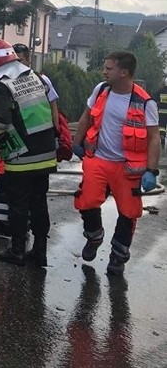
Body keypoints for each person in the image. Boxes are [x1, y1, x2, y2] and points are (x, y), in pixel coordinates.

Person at [72, 51, 161, 275]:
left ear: (124, 72)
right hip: (98, 159)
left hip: (126, 167)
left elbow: (154, 138)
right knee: (87, 201)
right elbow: (86, 116)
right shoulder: (101, 90)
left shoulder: (145, 102)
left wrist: (151, 170)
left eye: (109, 68)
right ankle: (94, 236)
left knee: (129, 213)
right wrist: (76, 142)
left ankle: (118, 257)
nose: (104, 71)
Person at [0, 38, 57, 267]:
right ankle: (40, 251)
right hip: (45, 153)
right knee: (38, 203)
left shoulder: (0, 84)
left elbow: (1, 120)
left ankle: (16, 250)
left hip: (21, 155)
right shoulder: (35, 77)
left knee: (18, 205)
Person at [157, 75, 167, 150]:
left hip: (162, 112)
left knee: (162, 127)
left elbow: (153, 98)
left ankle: (162, 137)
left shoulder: (161, 91)